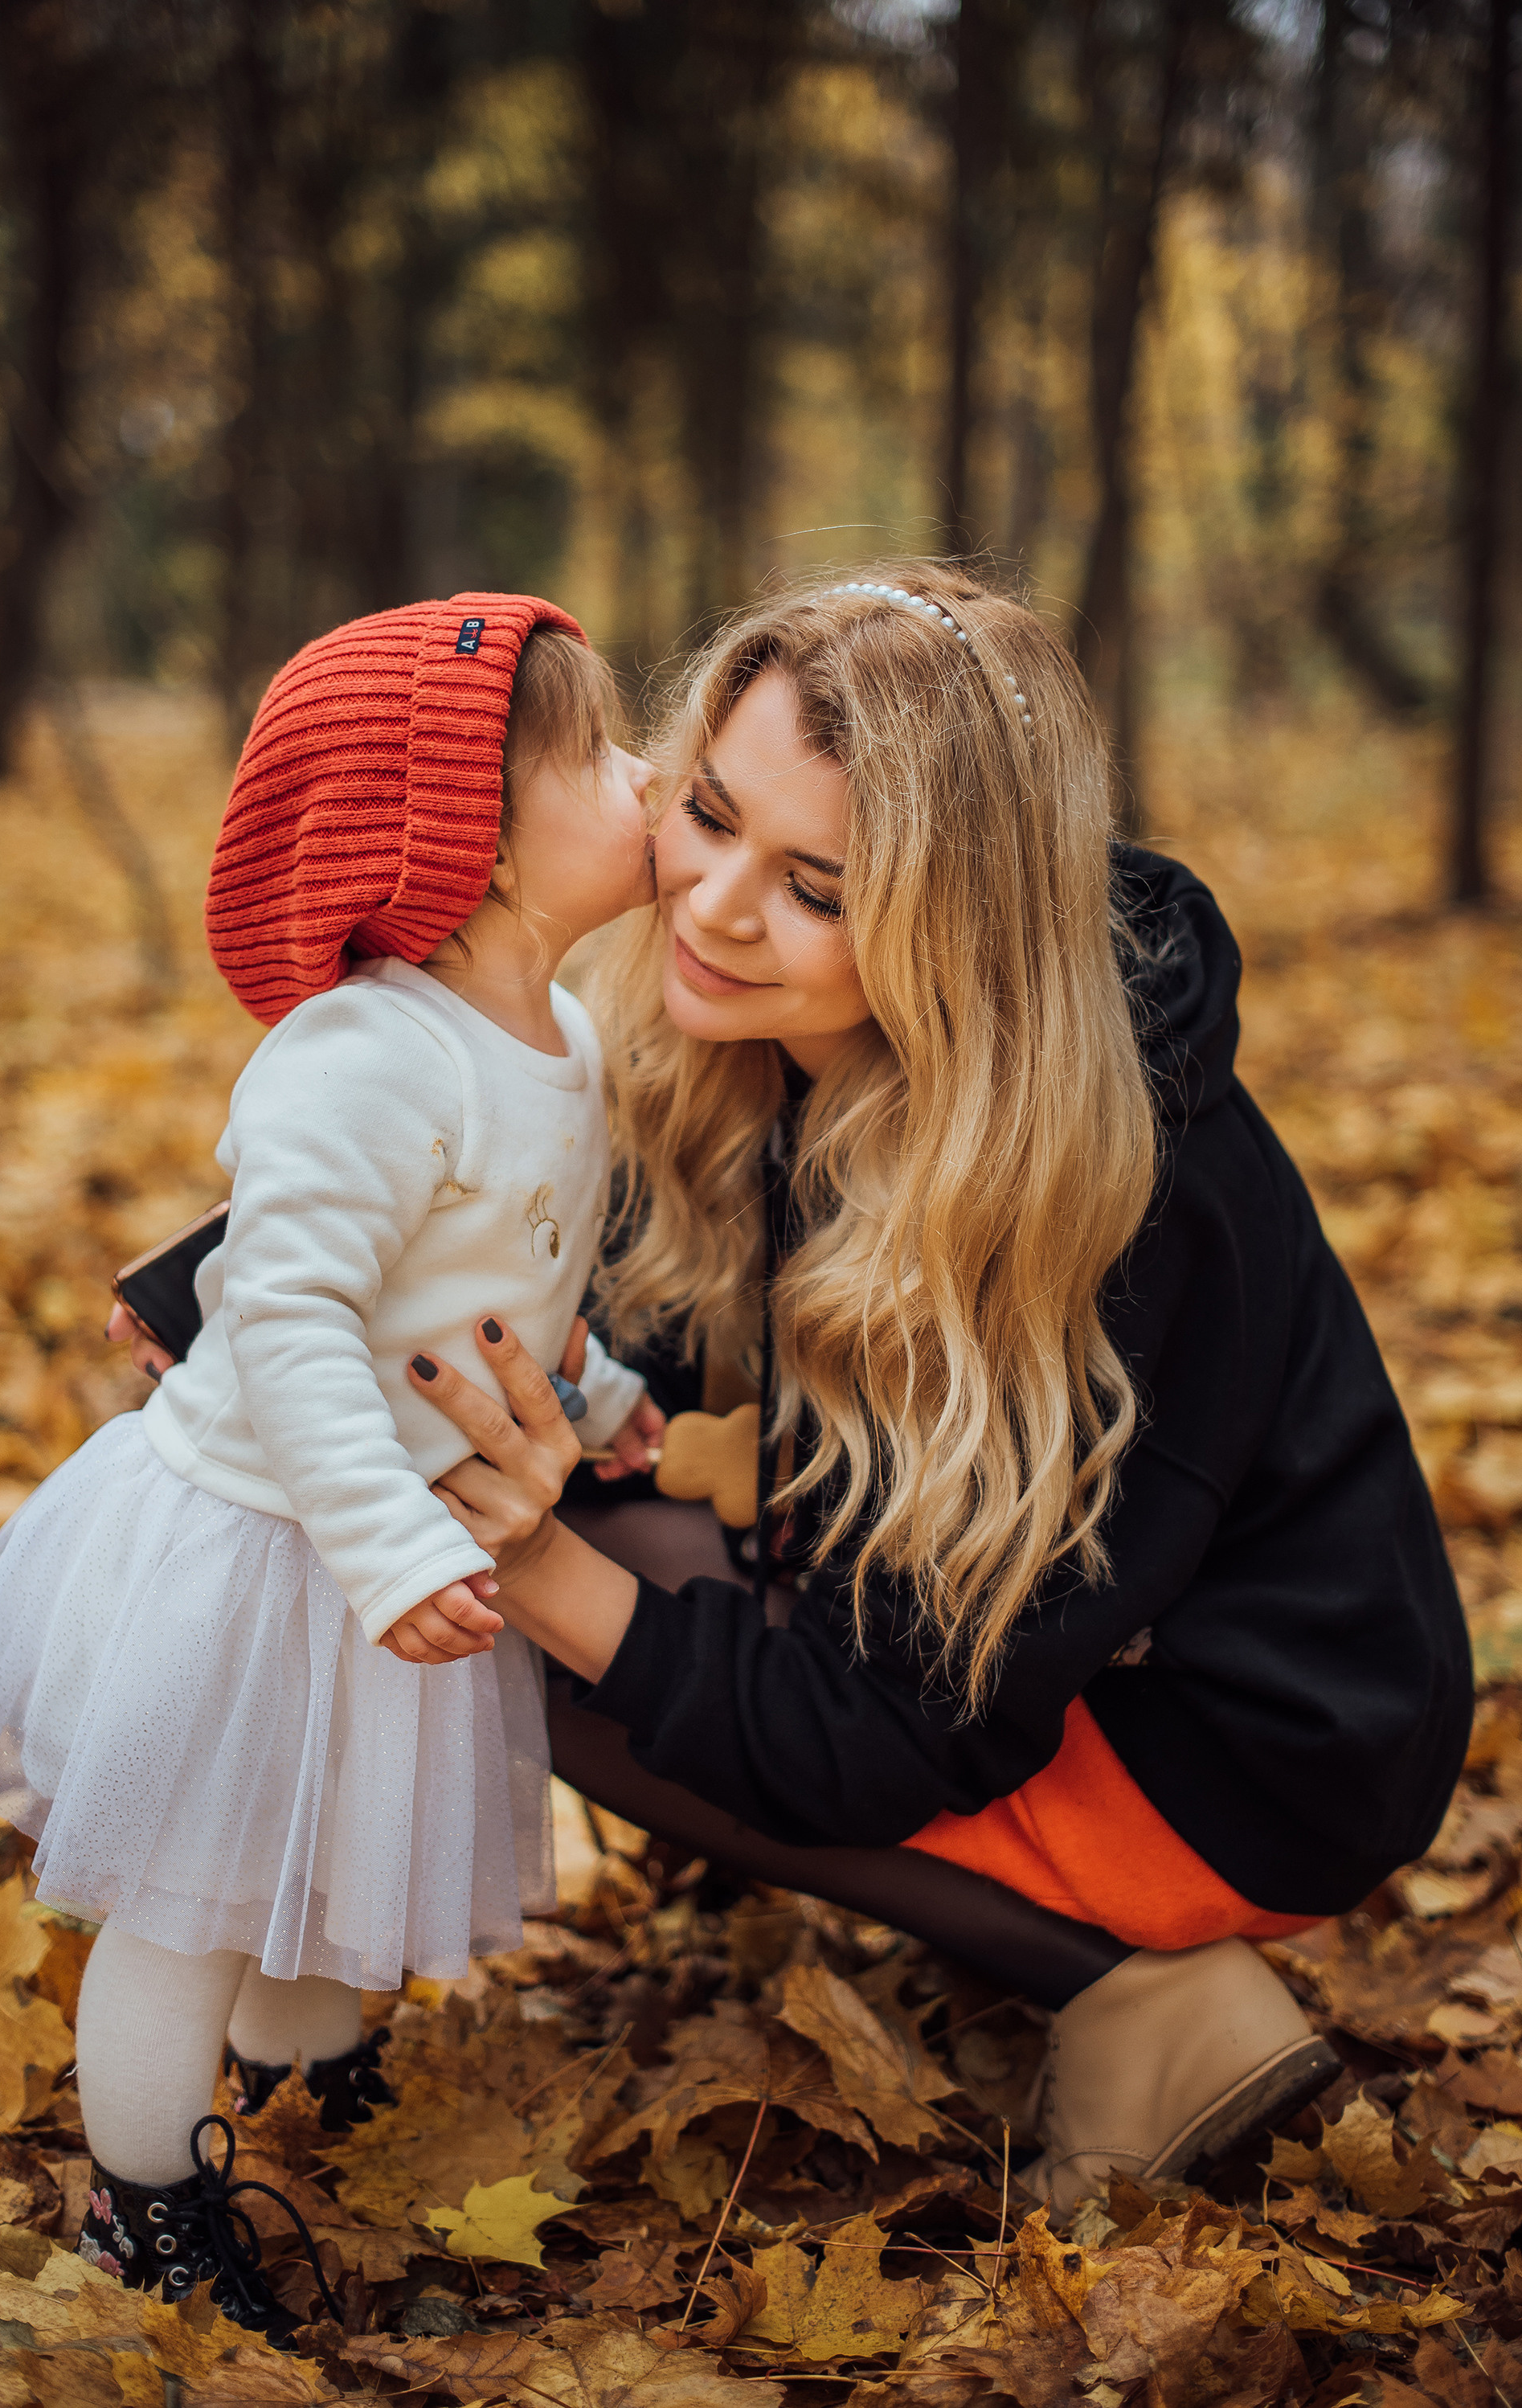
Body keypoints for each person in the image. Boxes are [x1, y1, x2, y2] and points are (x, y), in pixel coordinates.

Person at [112, 567, 1473, 2225]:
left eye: (818, 886)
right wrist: (231, 1282)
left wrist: (532, 1568)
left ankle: (1137, 1990)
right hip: (1028, 1647)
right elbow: (590, 1284)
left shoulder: (1114, 1191)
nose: (715, 906)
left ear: (959, 920)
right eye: (706, 812)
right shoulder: (788, 1031)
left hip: (1243, 1749)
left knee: (493, 1605)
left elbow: (893, 1728)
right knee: (470, 1493)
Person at [0, 593, 662, 2344]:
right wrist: (388, 1543)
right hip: (267, 1543)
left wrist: (597, 1381)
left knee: (329, 1855)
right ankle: (145, 2201)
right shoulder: (362, 1055)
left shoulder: (565, 1034)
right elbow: (294, 1309)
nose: (651, 776)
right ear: (477, 838)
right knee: (190, 1895)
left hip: (384, 1541)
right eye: (606, 755)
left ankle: (304, 2066)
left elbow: (501, 1279)